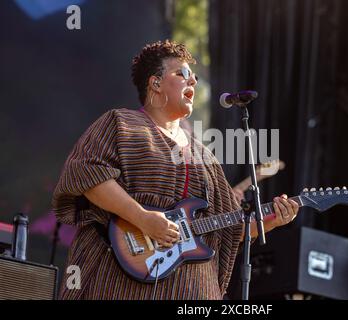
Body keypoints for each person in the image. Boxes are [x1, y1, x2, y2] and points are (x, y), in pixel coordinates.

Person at [52, 39, 299, 300]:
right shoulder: (121, 123)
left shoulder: (205, 157)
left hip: (191, 291)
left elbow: (229, 228)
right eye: (182, 74)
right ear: (155, 83)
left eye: (193, 76)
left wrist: (271, 220)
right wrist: (142, 218)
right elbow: (88, 174)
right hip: (118, 279)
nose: (192, 81)